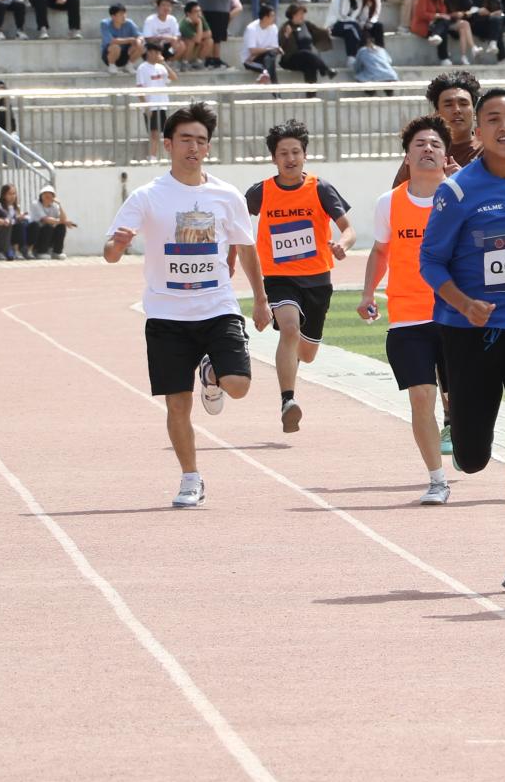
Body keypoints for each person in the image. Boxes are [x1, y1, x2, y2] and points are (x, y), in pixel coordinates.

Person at [417, 88, 505, 593]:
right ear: (477, 133)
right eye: (492, 119)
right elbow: (430, 261)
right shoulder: (457, 193)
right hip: (466, 333)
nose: (504, 126)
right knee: (473, 456)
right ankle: (463, 428)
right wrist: (463, 302)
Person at [104, 103, 271, 507]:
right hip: (166, 314)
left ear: (208, 147)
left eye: (200, 140)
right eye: (185, 140)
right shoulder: (148, 196)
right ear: (168, 145)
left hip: (217, 307)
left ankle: (212, 372)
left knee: (239, 386)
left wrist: (261, 300)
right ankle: (190, 478)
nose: (193, 147)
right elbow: (109, 252)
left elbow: (247, 249)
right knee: (177, 403)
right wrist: (119, 245)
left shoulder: (226, 195)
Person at [358, 116, 455, 505]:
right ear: (407, 155)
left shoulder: (460, 197)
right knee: (420, 396)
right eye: (420, 144)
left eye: (435, 144)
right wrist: (368, 293)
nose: (427, 149)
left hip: (455, 315)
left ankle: (461, 433)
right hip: (408, 317)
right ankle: (436, 479)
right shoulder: (390, 202)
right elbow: (381, 251)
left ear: (446, 156)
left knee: (462, 400)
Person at [246, 120, 354, 434]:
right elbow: (235, 224)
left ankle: (290, 366)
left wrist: (343, 244)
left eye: (296, 152)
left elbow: (348, 229)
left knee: (306, 354)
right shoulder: (261, 192)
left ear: (305, 155)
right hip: (279, 277)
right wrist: (227, 258)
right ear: (274, 158)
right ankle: (287, 401)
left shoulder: (320, 188)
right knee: (290, 328)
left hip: (317, 279)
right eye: (283, 153)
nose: (290, 158)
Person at [394, 71, 481, 183]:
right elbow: (399, 192)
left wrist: (464, 183)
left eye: (463, 104)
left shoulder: (489, 151)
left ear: (474, 111)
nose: (457, 110)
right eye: (448, 105)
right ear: (436, 113)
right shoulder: (422, 152)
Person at [135, 41, 177, 157]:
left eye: (159, 52)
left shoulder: (161, 67)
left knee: (160, 132)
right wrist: (146, 106)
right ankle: (152, 156)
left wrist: (164, 63)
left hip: (162, 104)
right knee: (154, 132)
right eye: (155, 52)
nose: (158, 54)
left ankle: (155, 155)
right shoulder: (142, 68)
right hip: (151, 105)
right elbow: (139, 89)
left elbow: (174, 77)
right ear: (149, 52)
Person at [28, 186, 76, 258]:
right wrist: (64, 222)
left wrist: (59, 205)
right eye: (45, 194)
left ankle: (57, 252)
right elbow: (46, 219)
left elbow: (63, 219)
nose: (47, 196)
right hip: (36, 233)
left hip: (49, 233)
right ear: (41, 196)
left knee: (61, 227)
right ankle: (41, 252)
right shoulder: (36, 204)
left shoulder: (54, 206)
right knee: (48, 226)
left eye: (50, 194)